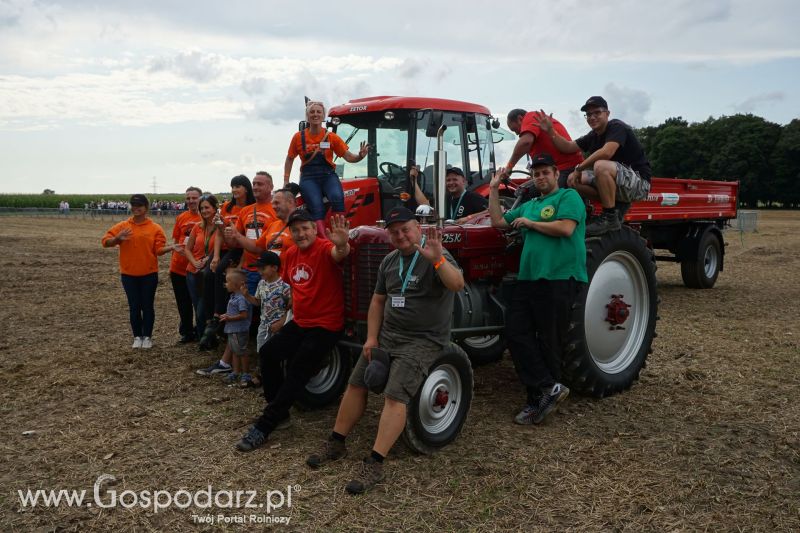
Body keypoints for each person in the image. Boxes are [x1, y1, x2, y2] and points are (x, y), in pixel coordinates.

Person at [305, 206, 465, 495]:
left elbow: (457, 285)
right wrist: (371, 339)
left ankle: (376, 462)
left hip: (423, 340)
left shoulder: (433, 254)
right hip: (388, 336)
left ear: (418, 228)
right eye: (394, 232)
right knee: (355, 384)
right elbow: (378, 302)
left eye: (406, 229)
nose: (400, 235)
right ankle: (336, 442)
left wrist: (439, 259)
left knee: (394, 395)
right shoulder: (390, 261)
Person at [235, 210, 351, 452]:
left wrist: (342, 245)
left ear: (314, 229)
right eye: (295, 230)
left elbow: (339, 253)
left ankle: (266, 424)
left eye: (305, 228)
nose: (300, 234)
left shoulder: (324, 247)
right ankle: (280, 412)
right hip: (301, 321)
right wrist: (286, 318)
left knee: (299, 365)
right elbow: (295, 291)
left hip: (326, 324)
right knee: (268, 353)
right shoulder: (290, 255)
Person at [490, 154, 587, 425]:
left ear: (556, 174)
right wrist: (494, 188)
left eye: (545, 172)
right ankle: (548, 387)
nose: (540, 177)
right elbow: (498, 221)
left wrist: (531, 224)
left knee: (549, 339)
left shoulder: (568, 197)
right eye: (536, 174)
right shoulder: (531, 204)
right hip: (529, 277)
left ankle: (537, 403)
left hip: (560, 276)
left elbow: (566, 229)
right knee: (516, 331)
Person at [533, 96, 652, 235]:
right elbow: (567, 146)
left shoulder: (617, 127)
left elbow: (607, 152)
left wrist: (579, 167)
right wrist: (550, 131)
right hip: (619, 183)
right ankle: (614, 205)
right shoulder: (593, 136)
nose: (592, 117)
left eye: (597, 113)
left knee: (600, 166)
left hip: (640, 184)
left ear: (607, 114)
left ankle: (610, 218)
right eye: (589, 114)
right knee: (572, 179)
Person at [283, 100, 370, 236]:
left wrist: (360, 156)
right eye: (312, 112)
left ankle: (339, 235)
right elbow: (289, 159)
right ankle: (324, 241)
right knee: (316, 205)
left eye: (319, 112)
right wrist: (286, 180)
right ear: (307, 116)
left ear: (323, 117)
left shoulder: (331, 137)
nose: (315, 114)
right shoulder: (298, 137)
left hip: (328, 175)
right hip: (309, 177)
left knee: (337, 197)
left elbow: (348, 157)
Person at [102, 194, 175, 349]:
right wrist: (117, 239)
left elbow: (158, 250)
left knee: (147, 306)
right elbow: (105, 242)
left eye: (139, 205)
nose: (136, 208)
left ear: (146, 208)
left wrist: (172, 248)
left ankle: (147, 336)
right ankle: (137, 337)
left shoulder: (155, 228)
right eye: (133, 205)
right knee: (134, 306)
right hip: (128, 275)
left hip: (149, 274)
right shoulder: (122, 226)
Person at [503, 108, 584, 188]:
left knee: (527, 193)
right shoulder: (535, 130)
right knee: (525, 190)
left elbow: (525, 142)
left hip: (566, 169)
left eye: (515, 129)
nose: (517, 133)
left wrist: (509, 166)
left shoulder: (531, 116)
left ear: (520, 119)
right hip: (557, 170)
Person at [213, 175, 256, 319]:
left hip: (244, 247)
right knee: (214, 272)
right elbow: (219, 232)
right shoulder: (227, 207)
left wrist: (242, 261)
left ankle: (232, 312)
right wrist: (216, 256)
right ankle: (217, 312)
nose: (234, 189)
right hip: (229, 247)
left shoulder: (251, 208)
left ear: (246, 189)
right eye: (233, 186)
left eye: (238, 186)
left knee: (232, 275)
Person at [182, 194, 222, 346]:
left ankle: (209, 338)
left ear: (214, 208)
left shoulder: (220, 226)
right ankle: (201, 337)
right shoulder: (197, 227)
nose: (204, 211)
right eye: (202, 208)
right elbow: (187, 249)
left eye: (207, 207)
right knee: (197, 305)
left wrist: (209, 259)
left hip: (209, 272)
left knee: (204, 307)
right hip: (193, 272)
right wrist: (194, 262)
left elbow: (221, 247)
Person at [169, 187, 202, 343]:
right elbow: (176, 240)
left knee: (199, 302)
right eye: (188, 198)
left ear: (200, 199)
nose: (191, 201)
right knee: (183, 302)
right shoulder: (181, 217)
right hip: (178, 267)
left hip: (196, 268)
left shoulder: (206, 217)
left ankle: (201, 330)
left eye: (194, 198)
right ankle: (187, 331)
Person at [241, 251, 291, 354]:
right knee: (262, 352)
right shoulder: (261, 283)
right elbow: (258, 302)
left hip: (280, 327)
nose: (260, 272)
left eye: (263, 268)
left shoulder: (285, 285)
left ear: (275, 268)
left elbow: (292, 308)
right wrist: (247, 295)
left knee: (278, 354)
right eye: (258, 269)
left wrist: (281, 322)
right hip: (264, 326)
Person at [218, 269, 253, 387]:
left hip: (240, 330)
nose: (225, 284)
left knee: (241, 351)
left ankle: (246, 373)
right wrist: (226, 316)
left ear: (236, 284)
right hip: (233, 329)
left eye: (227, 282)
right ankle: (236, 371)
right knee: (234, 351)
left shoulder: (241, 298)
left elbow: (244, 315)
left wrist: (229, 318)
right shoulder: (233, 297)